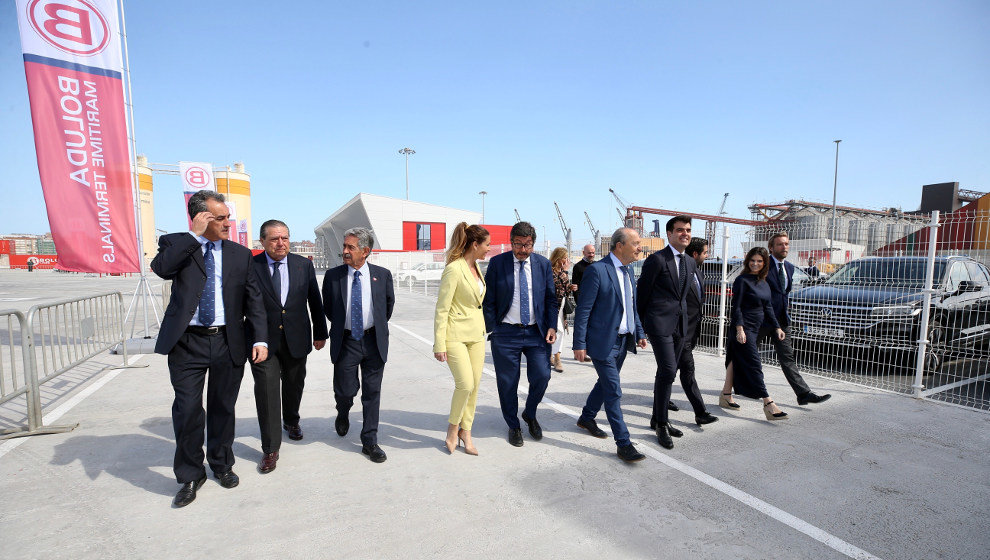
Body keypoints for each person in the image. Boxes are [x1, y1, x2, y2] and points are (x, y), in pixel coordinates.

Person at [151, 190, 268, 508]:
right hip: (187, 343)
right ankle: (190, 474)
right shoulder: (177, 243)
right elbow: (161, 268)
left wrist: (259, 338)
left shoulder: (240, 254)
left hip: (227, 341)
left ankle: (221, 464)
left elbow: (253, 298)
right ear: (201, 217)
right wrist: (195, 236)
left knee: (222, 408)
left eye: (228, 216)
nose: (228, 223)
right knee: (187, 410)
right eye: (221, 218)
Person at [247, 220, 328, 474]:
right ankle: (270, 449)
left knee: (294, 384)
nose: (281, 243)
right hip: (263, 343)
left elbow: (315, 300)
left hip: (297, 338)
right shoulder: (252, 266)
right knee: (267, 391)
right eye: (274, 239)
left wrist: (320, 331)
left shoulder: (303, 265)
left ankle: (292, 420)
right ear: (263, 242)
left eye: (285, 238)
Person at [573, 228, 648, 463]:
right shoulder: (597, 270)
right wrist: (579, 344)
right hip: (603, 342)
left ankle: (586, 417)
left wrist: (639, 333)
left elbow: (631, 307)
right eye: (635, 243)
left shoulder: (628, 272)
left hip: (624, 341)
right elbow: (583, 310)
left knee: (604, 384)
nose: (639, 248)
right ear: (619, 246)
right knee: (614, 391)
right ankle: (623, 443)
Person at [322, 227, 395, 463]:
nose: (344, 251)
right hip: (346, 341)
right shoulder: (333, 276)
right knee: (345, 389)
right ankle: (342, 412)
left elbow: (387, 307)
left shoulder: (382, 275)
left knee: (372, 392)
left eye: (350, 247)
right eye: (344, 246)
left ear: (365, 251)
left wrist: (371, 327)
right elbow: (329, 309)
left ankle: (369, 441)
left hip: (374, 341)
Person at [483, 221, 558, 447]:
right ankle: (513, 425)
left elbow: (550, 299)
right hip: (505, 333)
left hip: (537, 333)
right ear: (511, 242)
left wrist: (552, 326)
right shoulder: (497, 263)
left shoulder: (543, 265)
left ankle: (530, 413)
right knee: (507, 382)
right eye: (518, 244)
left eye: (527, 245)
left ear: (533, 244)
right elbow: (488, 300)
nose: (522, 250)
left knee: (542, 376)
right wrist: (492, 327)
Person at [636, 216, 696, 449]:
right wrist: (640, 328)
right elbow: (642, 296)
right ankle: (662, 423)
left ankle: (656, 417)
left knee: (666, 372)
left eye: (688, 230)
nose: (685, 234)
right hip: (659, 325)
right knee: (669, 370)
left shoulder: (690, 262)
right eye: (680, 230)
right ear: (669, 234)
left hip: (681, 326)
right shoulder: (657, 260)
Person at [434, 223, 490, 455]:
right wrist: (439, 343)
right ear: (475, 245)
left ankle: (466, 432)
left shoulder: (476, 267)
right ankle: (452, 428)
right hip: (455, 336)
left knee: (475, 386)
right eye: (486, 244)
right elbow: (442, 309)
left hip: (477, 335)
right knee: (464, 384)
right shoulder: (454, 269)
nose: (489, 248)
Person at [720, 247, 789, 420]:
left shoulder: (764, 283)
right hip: (743, 327)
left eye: (759, 261)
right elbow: (736, 307)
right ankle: (768, 403)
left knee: (736, 360)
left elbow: (768, 308)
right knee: (754, 364)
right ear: (747, 260)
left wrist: (777, 327)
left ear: (764, 263)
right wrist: (739, 329)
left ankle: (726, 395)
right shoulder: (742, 280)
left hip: (756, 327)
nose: (755, 264)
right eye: (752, 260)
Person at [765, 233, 831, 405]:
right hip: (762, 319)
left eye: (786, 244)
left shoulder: (789, 267)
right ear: (771, 247)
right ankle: (733, 387)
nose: (784, 247)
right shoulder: (763, 265)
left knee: (787, 358)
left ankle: (803, 394)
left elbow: (783, 294)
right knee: (745, 355)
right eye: (780, 244)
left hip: (782, 320)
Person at [678, 237, 719, 426]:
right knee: (688, 371)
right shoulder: (680, 273)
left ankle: (659, 404)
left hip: (693, 331)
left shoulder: (699, 274)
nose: (707, 255)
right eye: (705, 252)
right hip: (680, 332)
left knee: (668, 371)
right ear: (695, 254)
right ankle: (700, 412)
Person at [549, 247, 576, 373]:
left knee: (560, 331)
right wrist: (565, 272)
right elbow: (556, 288)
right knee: (557, 330)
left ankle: (554, 355)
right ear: (559, 259)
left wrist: (571, 287)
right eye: (565, 258)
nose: (567, 260)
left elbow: (564, 289)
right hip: (553, 306)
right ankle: (556, 358)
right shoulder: (550, 271)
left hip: (562, 306)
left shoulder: (561, 271)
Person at [571, 244, 595, 362]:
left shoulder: (596, 265)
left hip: (595, 303)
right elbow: (575, 286)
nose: (591, 255)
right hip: (583, 302)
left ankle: (588, 351)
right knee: (581, 328)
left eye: (593, 253)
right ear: (584, 252)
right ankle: (580, 352)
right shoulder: (578, 267)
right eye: (589, 253)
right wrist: (579, 302)